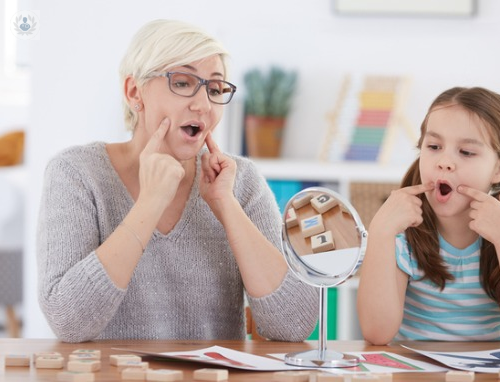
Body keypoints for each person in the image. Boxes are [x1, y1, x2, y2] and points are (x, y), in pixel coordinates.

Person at [37, 19, 318, 343]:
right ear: (134, 92)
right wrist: (149, 204)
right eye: (183, 83)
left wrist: (225, 205)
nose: (203, 105)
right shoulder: (75, 173)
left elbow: (294, 325)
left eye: (215, 89)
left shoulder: (240, 182)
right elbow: (68, 322)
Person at [357, 87, 500, 345]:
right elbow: (377, 332)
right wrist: (380, 233)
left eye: (466, 152)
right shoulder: (402, 233)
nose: (444, 161)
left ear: (497, 169)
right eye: (434, 146)